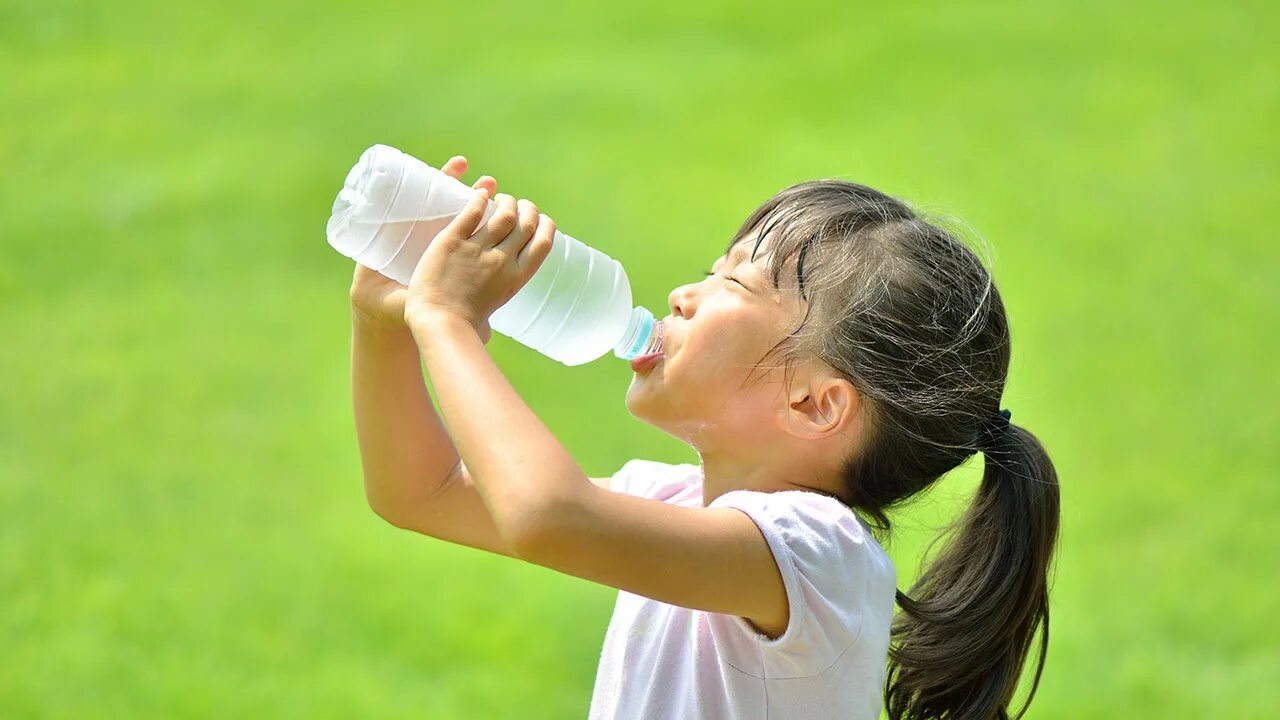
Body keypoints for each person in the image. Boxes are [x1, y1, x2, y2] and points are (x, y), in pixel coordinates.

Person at [348, 154, 1060, 720]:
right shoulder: (672, 500)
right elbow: (421, 494)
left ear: (814, 405)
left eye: (736, 284)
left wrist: (446, 323)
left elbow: (546, 514)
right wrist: (386, 325)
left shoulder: (819, 555)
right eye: (710, 271)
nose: (685, 295)